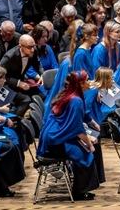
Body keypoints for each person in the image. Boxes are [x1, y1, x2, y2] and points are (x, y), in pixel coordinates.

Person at [38, 70, 100, 200]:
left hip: (56, 134)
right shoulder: (75, 100)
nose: (89, 82)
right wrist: (89, 144)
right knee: (86, 155)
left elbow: (82, 115)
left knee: (93, 147)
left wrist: (92, 123)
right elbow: (77, 129)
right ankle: (79, 192)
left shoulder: (70, 94)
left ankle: (88, 185)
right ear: (80, 84)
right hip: (56, 140)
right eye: (87, 80)